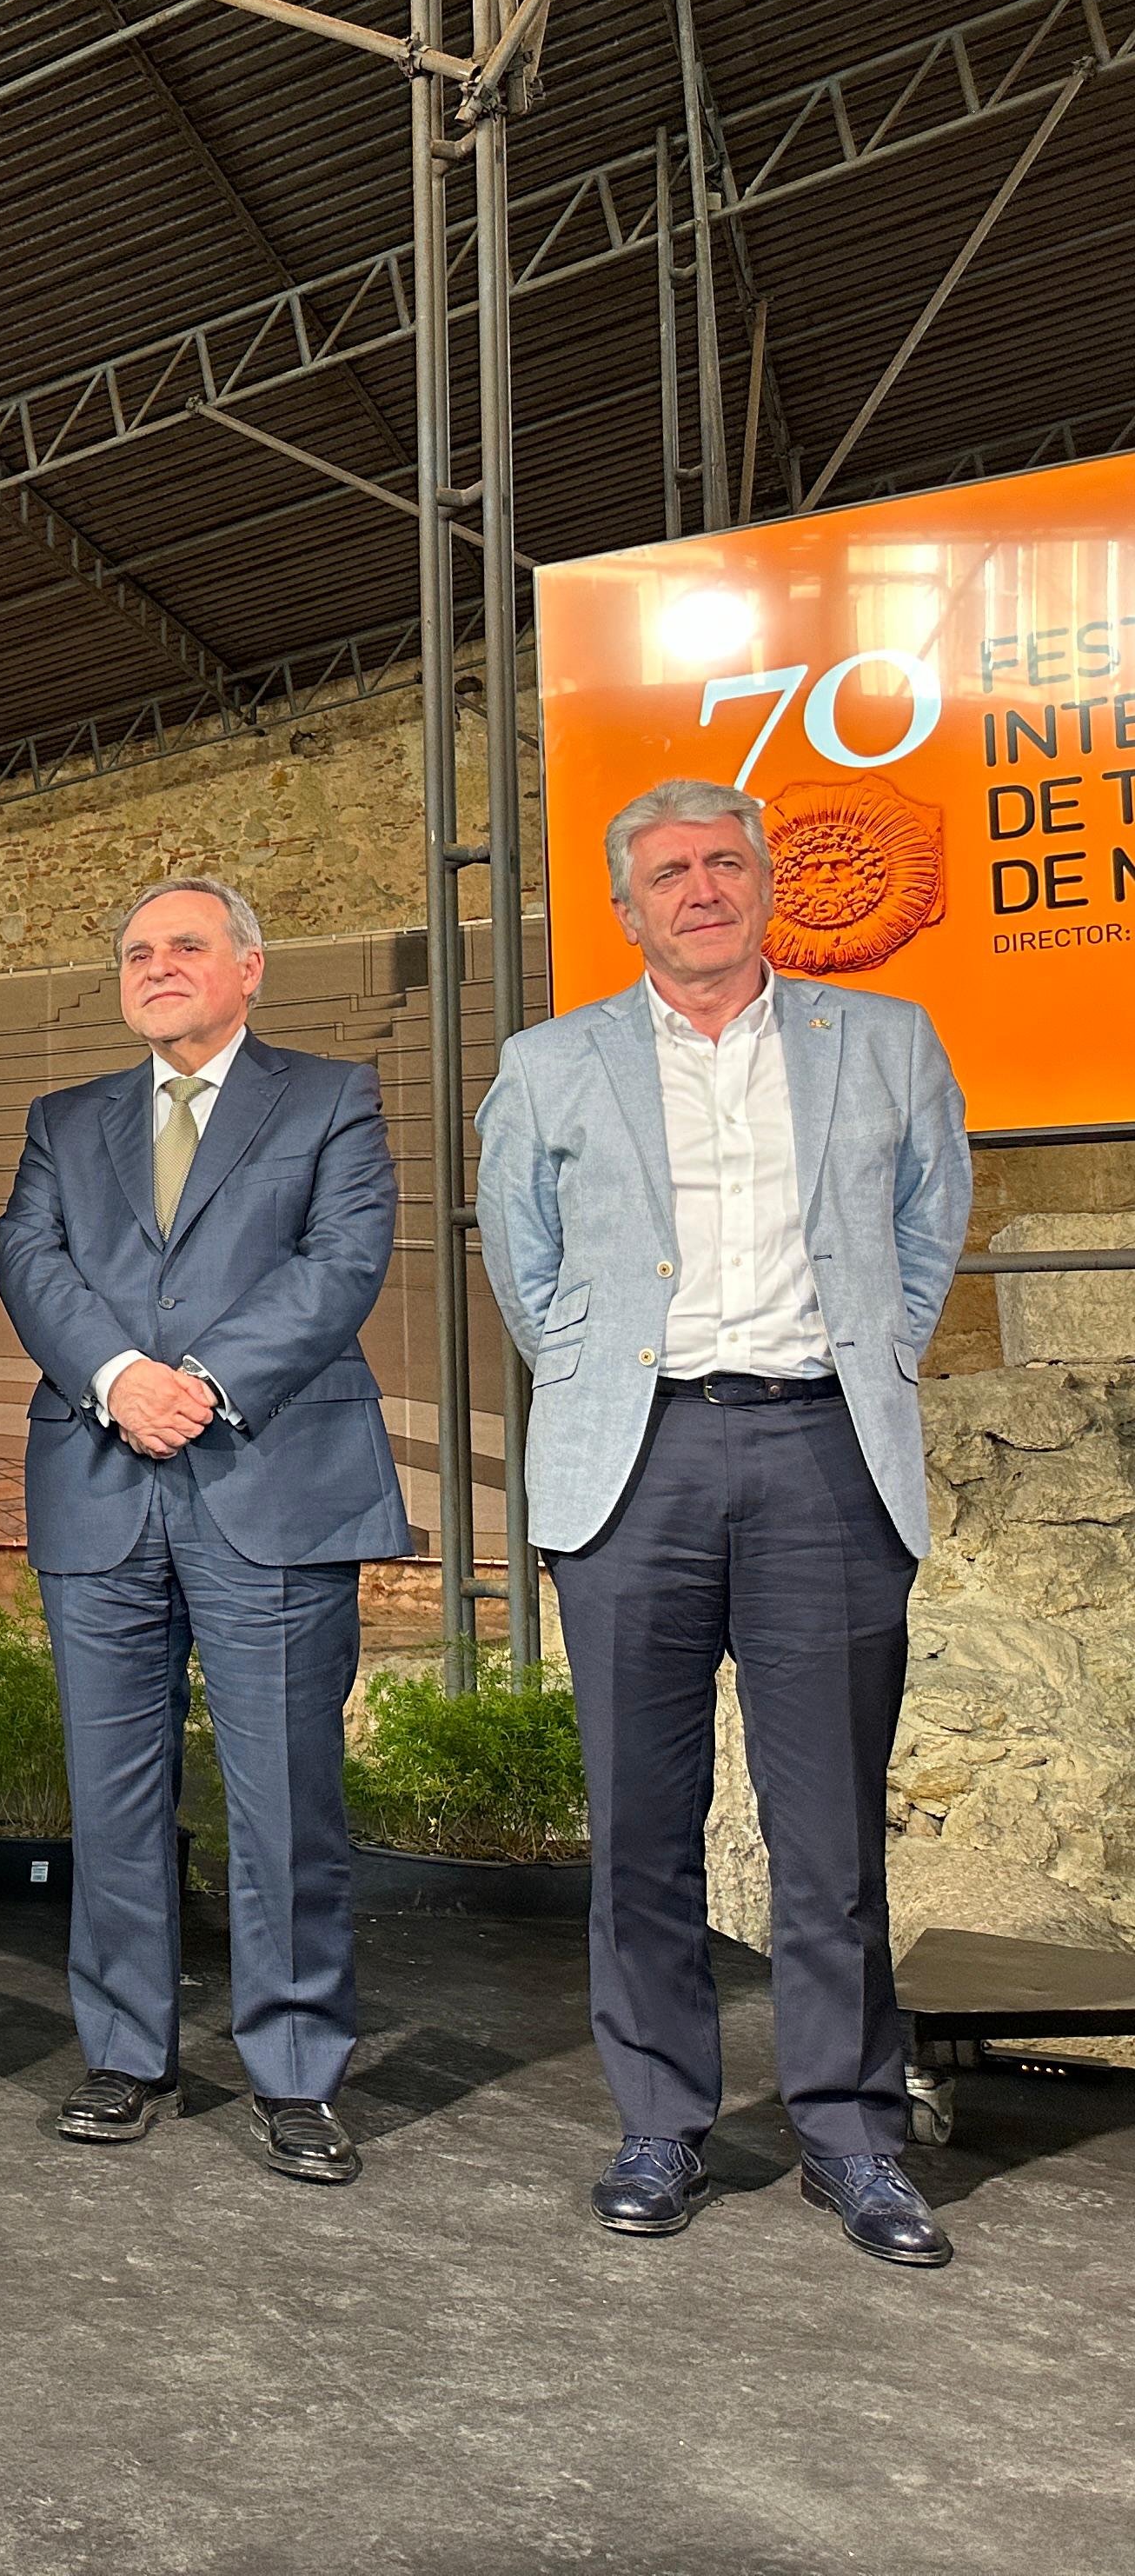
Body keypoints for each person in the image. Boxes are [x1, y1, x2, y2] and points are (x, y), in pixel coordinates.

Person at [478, 779, 971, 2266]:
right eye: (669, 874)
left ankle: (849, 2136)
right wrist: (595, 1380)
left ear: (766, 885)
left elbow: (930, 1222)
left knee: (827, 1839)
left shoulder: (880, 1042)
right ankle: (661, 2124)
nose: (701, 889)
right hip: (641, 1466)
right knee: (640, 1825)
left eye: (723, 863)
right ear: (628, 913)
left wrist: (873, 1359)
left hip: (825, 1453)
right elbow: (527, 1264)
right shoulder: (551, 1063)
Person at [0, 879, 408, 2184]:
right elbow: (30, 1260)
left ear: (250, 971)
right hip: (101, 1483)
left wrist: (205, 1382)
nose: (158, 967)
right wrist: (119, 1377)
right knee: (112, 1799)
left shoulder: (331, 1097)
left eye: (186, 947)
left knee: (285, 1797)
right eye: (137, 952)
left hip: (267, 1478)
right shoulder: (64, 1120)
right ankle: (124, 2055)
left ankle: (295, 2073)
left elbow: (343, 1263)